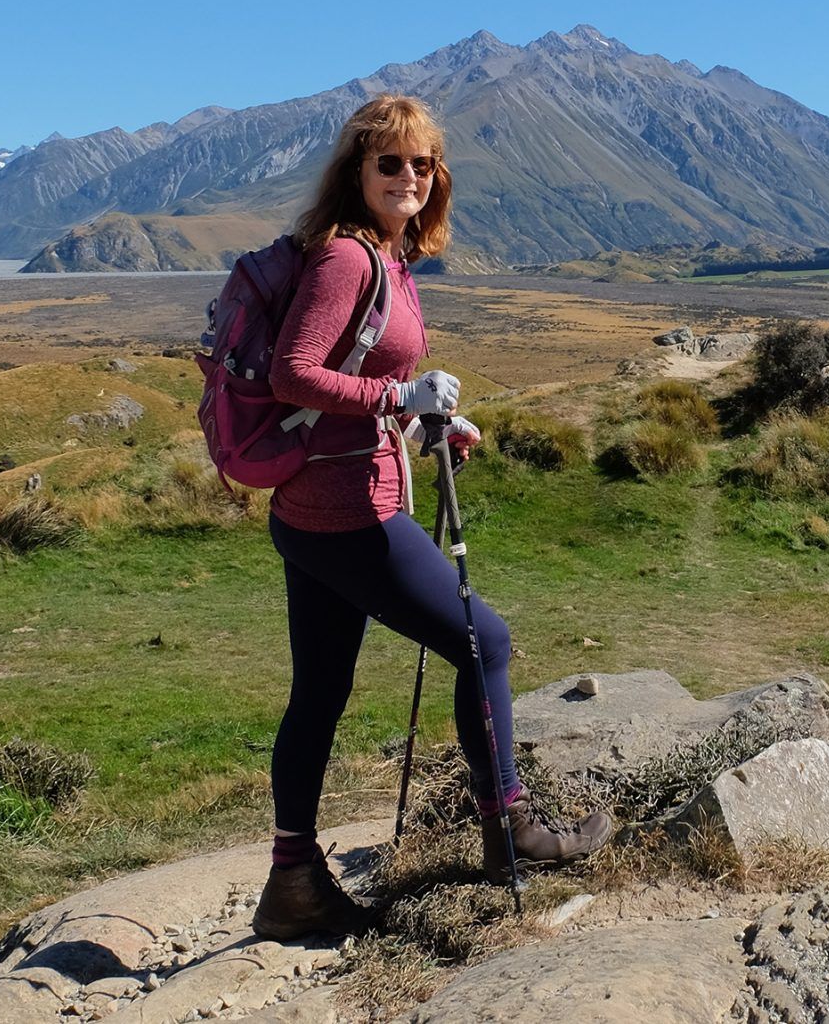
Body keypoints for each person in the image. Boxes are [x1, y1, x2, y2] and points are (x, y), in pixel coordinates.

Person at [252, 93, 612, 942]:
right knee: (485, 641)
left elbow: (347, 384)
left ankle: (292, 882)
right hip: (349, 511)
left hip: (316, 507)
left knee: (320, 693)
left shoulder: (387, 254)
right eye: (390, 162)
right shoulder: (347, 256)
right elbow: (293, 373)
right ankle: (510, 829)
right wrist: (398, 396)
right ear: (357, 170)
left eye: (422, 163)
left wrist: (421, 425)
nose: (409, 176)